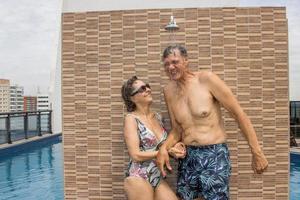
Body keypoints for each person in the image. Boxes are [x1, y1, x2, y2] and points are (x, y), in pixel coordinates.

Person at [156, 44, 269, 200]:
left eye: (175, 62)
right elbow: (177, 130)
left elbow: (239, 114)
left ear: (186, 61)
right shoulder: (168, 91)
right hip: (188, 157)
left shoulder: (207, 79)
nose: (171, 67)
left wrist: (257, 153)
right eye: (166, 64)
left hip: (214, 153)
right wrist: (165, 148)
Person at [121, 76, 186, 200]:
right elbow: (135, 155)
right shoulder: (131, 119)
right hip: (138, 175)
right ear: (132, 98)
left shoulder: (158, 117)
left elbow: (164, 147)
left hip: (156, 175)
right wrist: (164, 152)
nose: (148, 90)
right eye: (142, 88)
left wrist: (175, 148)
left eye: (148, 86)